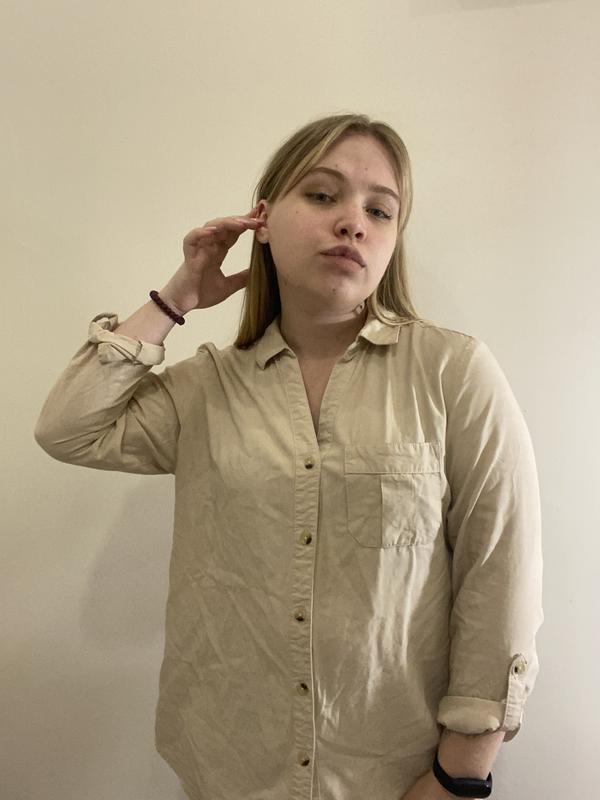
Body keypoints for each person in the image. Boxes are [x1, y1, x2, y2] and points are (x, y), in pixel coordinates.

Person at [34, 112, 543, 800]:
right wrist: (177, 297)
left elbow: (501, 569)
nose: (353, 223)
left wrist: (462, 774)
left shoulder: (452, 373)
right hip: (230, 771)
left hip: (395, 776)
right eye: (323, 195)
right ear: (263, 220)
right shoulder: (205, 388)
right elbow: (69, 427)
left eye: (380, 211)